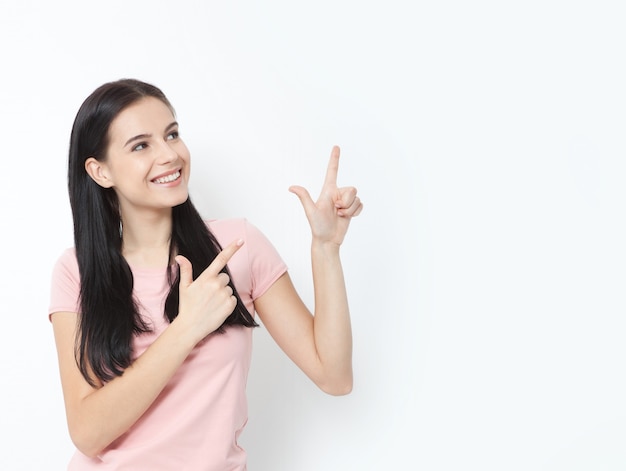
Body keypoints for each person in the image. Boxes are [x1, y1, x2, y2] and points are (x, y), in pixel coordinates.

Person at [48, 78, 363, 470]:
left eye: (172, 134)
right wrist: (186, 328)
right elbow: (88, 433)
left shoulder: (237, 246)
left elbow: (335, 377)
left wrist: (326, 250)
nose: (169, 155)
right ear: (100, 171)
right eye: (141, 145)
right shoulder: (76, 271)